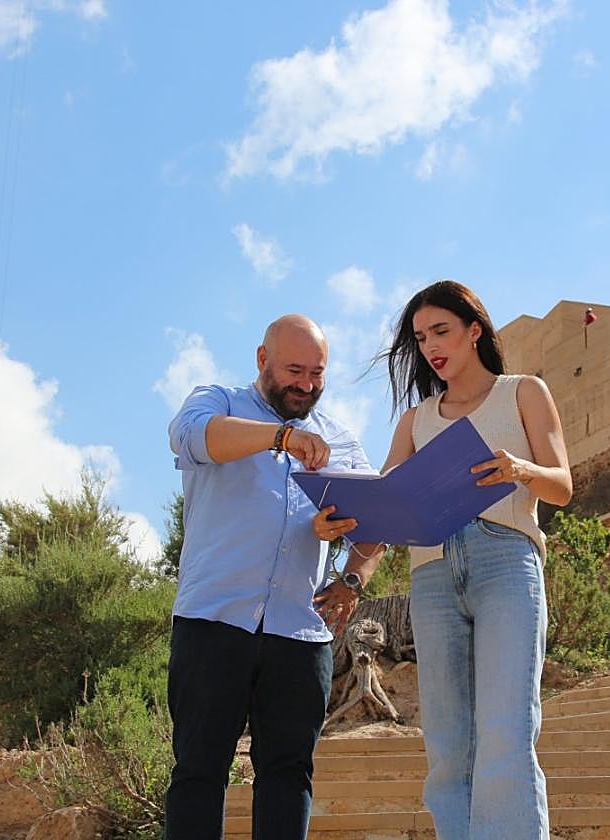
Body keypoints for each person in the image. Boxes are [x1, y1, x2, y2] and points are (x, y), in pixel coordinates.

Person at [314, 280, 572, 840]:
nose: (431, 346)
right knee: (448, 746)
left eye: (441, 331)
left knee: (506, 732)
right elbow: (384, 514)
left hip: (505, 560)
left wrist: (519, 471)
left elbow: (563, 485)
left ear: (473, 329)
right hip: (430, 577)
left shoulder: (523, 392)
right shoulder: (415, 420)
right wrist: (351, 581)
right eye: (420, 337)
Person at [164, 314, 383, 840]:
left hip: (300, 633)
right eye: (294, 369)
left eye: (318, 373)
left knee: (289, 775)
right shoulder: (217, 401)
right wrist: (278, 437)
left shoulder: (341, 440)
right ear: (262, 360)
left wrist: (352, 578)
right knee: (198, 769)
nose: (306, 384)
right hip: (212, 619)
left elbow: (378, 524)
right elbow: (190, 437)